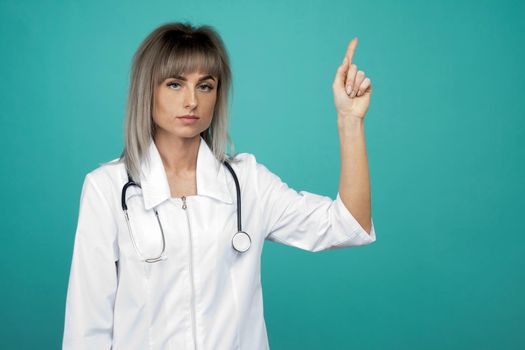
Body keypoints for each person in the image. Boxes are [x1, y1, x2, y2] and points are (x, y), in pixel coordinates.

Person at [62, 21, 376, 350]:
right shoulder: (108, 189)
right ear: (147, 90)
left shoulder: (248, 181)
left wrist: (350, 121)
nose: (191, 101)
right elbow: (87, 328)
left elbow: (347, 225)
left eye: (205, 86)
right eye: (174, 84)